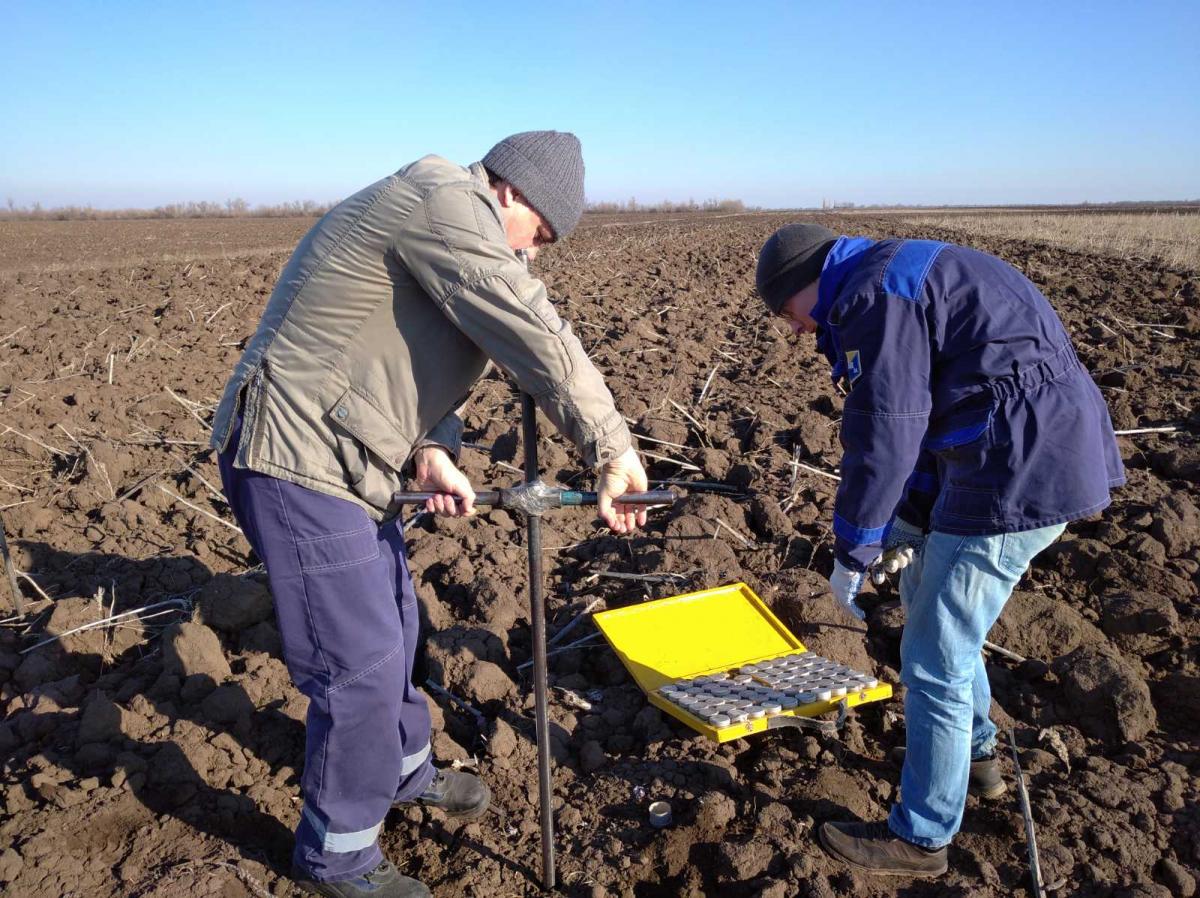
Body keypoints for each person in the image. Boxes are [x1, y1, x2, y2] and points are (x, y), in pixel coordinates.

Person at [211, 131, 649, 898]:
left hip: (350, 455)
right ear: (512, 192)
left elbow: (428, 354)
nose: (535, 256)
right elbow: (526, 326)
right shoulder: (443, 200)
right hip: (296, 455)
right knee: (360, 666)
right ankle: (336, 858)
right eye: (540, 236)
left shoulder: (452, 220)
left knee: (401, 626)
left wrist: (432, 449)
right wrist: (611, 448)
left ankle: (405, 769)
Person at [755, 224, 1124, 876]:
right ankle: (976, 756)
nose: (795, 331)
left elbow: (887, 432)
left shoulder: (874, 295)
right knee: (924, 590)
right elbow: (930, 416)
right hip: (1004, 446)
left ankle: (921, 837)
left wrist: (855, 546)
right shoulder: (894, 275)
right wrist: (907, 526)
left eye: (788, 313)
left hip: (1020, 465)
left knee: (934, 654)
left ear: (809, 283)